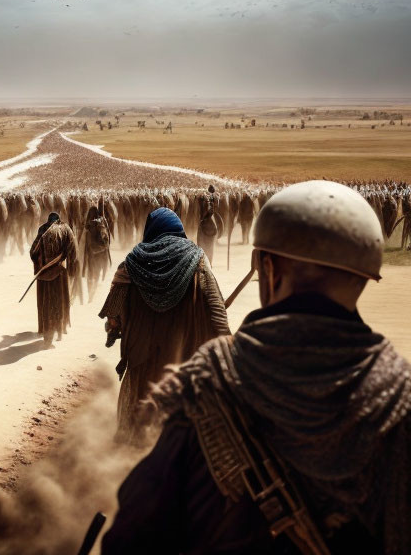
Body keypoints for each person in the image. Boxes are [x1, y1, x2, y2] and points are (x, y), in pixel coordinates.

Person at [102, 181, 411, 554]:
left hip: (143, 367)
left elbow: (130, 538)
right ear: (365, 275)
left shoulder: (209, 384)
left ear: (268, 267)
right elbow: (218, 322)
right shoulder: (400, 395)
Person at [98, 207, 229, 442]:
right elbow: (217, 309)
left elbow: (114, 313)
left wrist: (114, 329)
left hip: (142, 359)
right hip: (183, 359)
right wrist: (225, 343)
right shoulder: (197, 259)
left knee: (135, 425)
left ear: (151, 229)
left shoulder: (132, 263)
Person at [29, 212, 78, 348]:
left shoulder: (42, 229)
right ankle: (59, 332)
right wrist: (71, 271)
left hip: (43, 274)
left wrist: (39, 266)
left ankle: (48, 336)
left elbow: (33, 252)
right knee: (59, 303)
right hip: (59, 273)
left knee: (45, 305)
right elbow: (73, 253)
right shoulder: (65, 229)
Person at [80, 203, 112, 303]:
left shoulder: (100, 226)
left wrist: (95, 250)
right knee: (91, 277)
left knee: (94, 277)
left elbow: (105, 243)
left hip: (97, 257)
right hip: (90, 258)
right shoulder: (88, 226)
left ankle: (91, 297)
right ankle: (90, 297)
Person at [197, 184, 223, 265]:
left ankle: (205, 262)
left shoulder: (207, 199)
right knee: (211, 247)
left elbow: (207, 211)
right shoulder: (216, 198)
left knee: (202, 244)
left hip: (206, 223)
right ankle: (209, 262)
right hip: (214, 224)